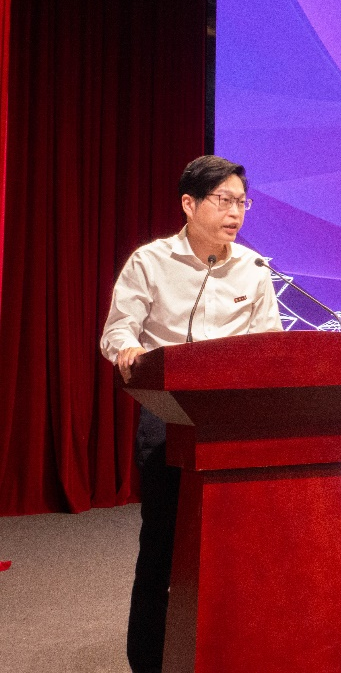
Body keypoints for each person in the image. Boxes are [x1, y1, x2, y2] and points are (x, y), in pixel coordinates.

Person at [100, 155, 283, 673]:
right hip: (170, 417)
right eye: (223, 201)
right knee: (161, 546)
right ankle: (148, 662)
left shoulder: (254, 268)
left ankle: (229, 653)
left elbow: (270, 345)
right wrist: (128, 349)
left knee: (235, 549)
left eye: (241, 202)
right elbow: (118, 329)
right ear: (189, 203)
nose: (235, 213)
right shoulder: (150, 262)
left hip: (233, 423)